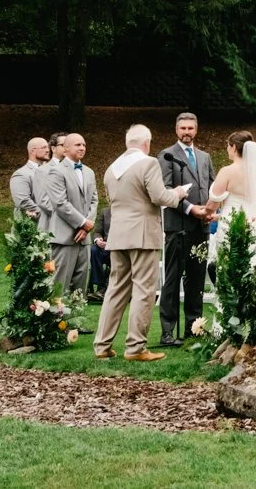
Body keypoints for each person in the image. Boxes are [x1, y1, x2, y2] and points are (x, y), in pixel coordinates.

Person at [95, 124, 190, 362]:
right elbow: (160, 197)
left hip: (117, 234)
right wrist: (178, 194)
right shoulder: (148, 163)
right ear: (146, 143)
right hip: (143, 234)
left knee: (115, 290)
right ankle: (136, 347)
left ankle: (102, 345)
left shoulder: (111, 169)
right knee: (144, 290)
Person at [157, 112, 214, 348]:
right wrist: (191, 209)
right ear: (176, 130)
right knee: (172, 278)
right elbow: (165, 189)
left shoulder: (204, 156)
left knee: (196, 279)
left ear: (196, 129)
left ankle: (194, 327)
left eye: (190, 128)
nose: (187, 132)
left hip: (200, 227)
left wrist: (210, 209)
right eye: (183, 129)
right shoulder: (167, 155)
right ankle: (168, 331)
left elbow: (211, 185)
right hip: (177, 226)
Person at [207, 131, 256, 272]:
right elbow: (247, 208)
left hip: (230, 227)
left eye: (228, 145)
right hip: (252, 225)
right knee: (250, 269)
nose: (227, 149)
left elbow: (212, 205)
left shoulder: (227, 171)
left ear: (233, 147)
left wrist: (206, 212)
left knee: (229, 271)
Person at [44, 132, 98, 312]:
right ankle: (56, 321)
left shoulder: (89, 172)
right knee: (61, 282)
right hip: (65, 236)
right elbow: (60, 203)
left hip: (84, 237)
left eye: (83, 144)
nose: (82, 148)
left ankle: (76, 320)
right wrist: (82, 222)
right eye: (77, 145)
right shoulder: (56, 171)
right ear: (65, 149)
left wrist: (87, 225)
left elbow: (94, 201)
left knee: (81, 281)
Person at [9, 137, 51, 220]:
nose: (47, 150)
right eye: (44, 147)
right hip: (33, 227)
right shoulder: (21, 174)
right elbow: (23, 202)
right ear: (32, 151)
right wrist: (50, 215)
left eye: (48, 147)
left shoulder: (52, 171)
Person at [87, 206, 112, 303]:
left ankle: (105, 288)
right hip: (104, 248)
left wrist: (110, 243)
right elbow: (97, 232)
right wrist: (98, 240)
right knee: (94, 250)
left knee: (115, 253)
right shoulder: (105, 212)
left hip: (118, 248)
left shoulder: (126, 212)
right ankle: (98, 284)